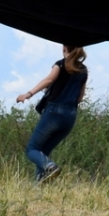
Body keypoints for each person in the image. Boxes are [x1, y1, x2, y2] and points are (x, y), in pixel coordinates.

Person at [15, 45, 88, 183]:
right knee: (44, 152)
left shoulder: (60, 65)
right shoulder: (83, 70)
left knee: (32, 149)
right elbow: (79, 98)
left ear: (64, 48)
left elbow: (48, 80)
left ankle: (50, 167)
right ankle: (40, 187)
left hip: (54, 112)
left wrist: (28, 94)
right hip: (70, 116)